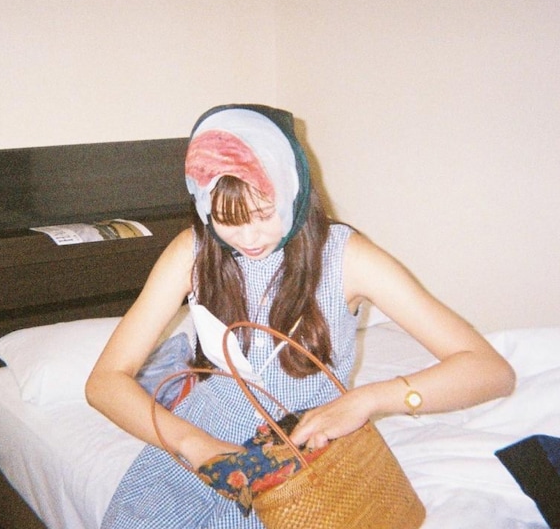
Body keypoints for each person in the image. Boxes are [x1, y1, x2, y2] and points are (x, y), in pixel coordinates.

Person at [86, 103, 515, 529]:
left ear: (293, 188)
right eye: (225, 219)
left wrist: (366, 400)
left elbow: (491, 371)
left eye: (263, 214)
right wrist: (193, 444)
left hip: (304, 461)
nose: (249, 237)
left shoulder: (347, 258)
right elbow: (104, 381)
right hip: (197, 448)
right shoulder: (192, 251)